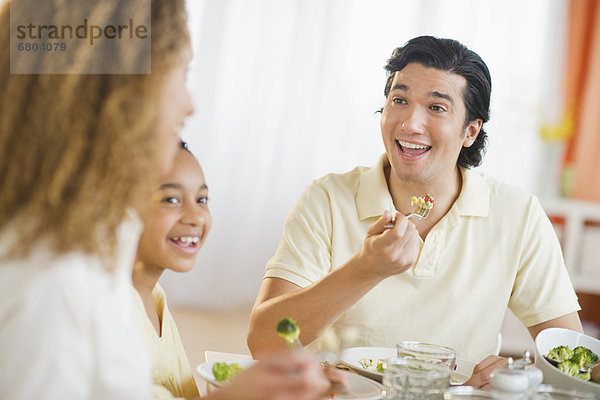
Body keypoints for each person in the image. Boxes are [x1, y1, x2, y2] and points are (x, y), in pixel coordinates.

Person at [246, 35, 583, 388]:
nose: (409, 123)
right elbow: (263, 342)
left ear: (470, 131)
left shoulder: (518, 214)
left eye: (436, 108)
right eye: (400, 100)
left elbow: (573, 360)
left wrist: (517, 376)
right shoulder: (327, 199)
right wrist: (365, 269)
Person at [0, 0, 194, 398]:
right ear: (119, 97)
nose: (191, 104)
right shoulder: (50, 280)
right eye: (180, 74)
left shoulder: (102, 239)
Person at [133, 141, 342, 400]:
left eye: (202, 199)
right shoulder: (108, 311)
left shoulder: (153, 296)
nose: (196, 216)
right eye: (172, 199)